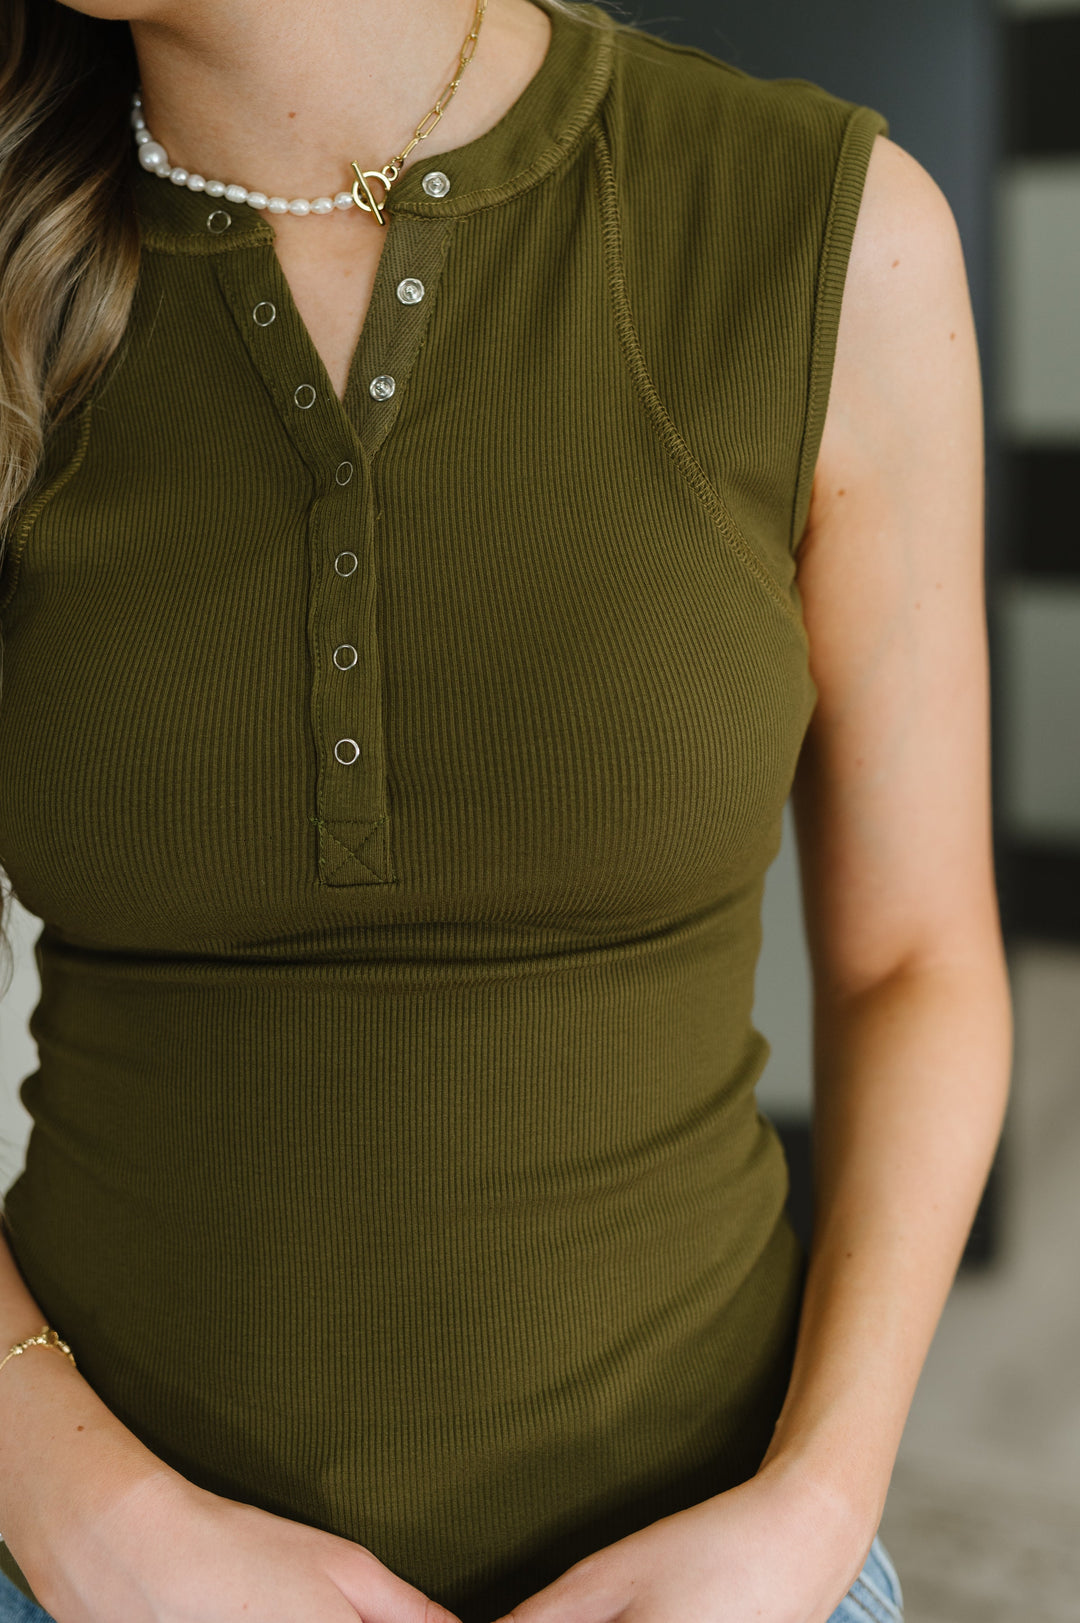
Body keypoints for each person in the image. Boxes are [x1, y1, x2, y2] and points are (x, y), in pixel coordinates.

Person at [0, 0, 1013, 1620]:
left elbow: (917, 961)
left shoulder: (826, 232)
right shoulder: (18, 252)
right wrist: (78, 1508)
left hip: (725, 1560)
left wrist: (818, 1505)